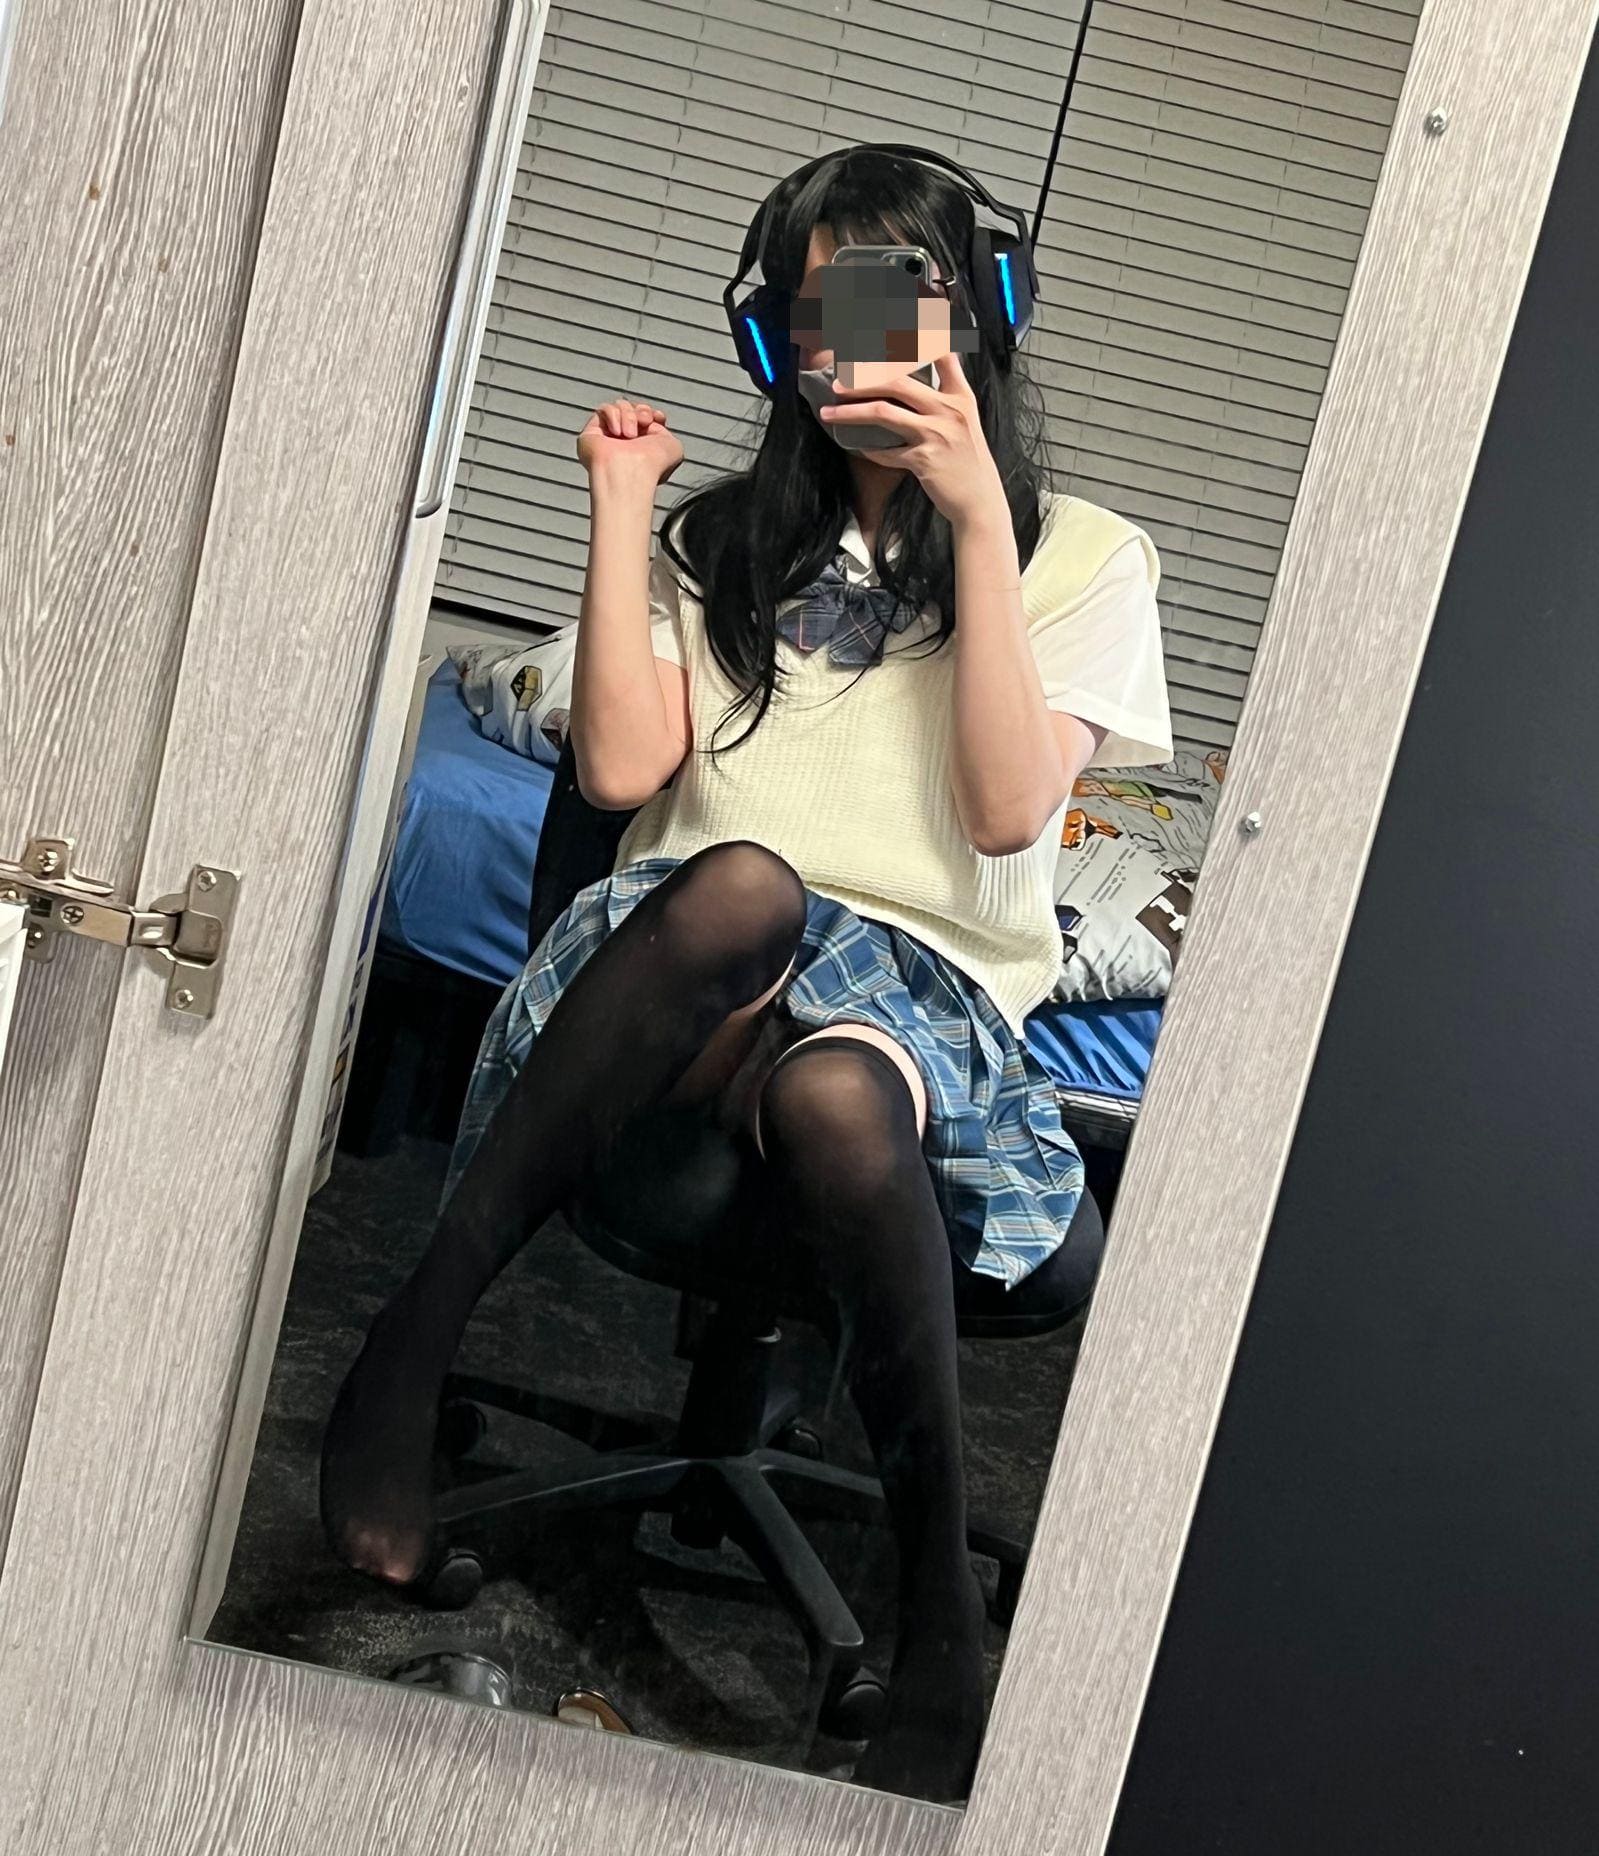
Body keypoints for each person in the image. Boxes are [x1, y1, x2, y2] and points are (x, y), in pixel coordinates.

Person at [320, 146, 1173, 1801]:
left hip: (916, 995)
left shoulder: (1084, 557)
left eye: (895, 298)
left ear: (982, 312)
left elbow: (1009, 810)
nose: (858, 345)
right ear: (772, 338)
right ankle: (411, 1344)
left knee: (845, 1092)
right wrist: (623, 511)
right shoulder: (721, 539)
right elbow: (622, 773)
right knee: (747, 886)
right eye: (820, 307)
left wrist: (976, 519)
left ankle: (934, 1605)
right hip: (685, 972)